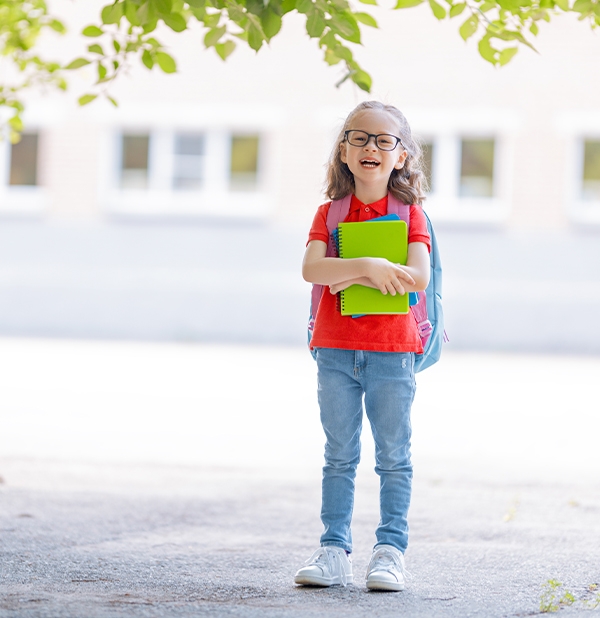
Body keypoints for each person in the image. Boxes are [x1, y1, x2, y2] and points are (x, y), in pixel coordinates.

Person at [295, 101, 431, 592]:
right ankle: (333, 551)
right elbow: (313, 270)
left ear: (401, 156)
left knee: (394, 456)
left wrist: (352, 267)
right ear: (344, 151)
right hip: (333, 349)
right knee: (339, 455)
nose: (370, 146)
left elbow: (416, 277)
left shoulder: (410, 214)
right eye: (359, 137)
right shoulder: (328, 213)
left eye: (383, 140)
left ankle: (390, 552)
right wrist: (373, 267)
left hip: (394, 352)